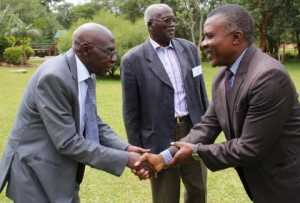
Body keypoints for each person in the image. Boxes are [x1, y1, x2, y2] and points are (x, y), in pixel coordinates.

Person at [137, 4, 300, 203]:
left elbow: (250, 148)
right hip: (262, 183)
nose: (203, 43)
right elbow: (207, 126)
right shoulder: (223, 77)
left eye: (210, 36)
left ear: (236, 38)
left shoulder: (268, 77)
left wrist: (196, 152)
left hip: (287, 184)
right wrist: (164, 158)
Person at [0, 23, 149, 203]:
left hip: (61, 173)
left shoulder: (86, 71)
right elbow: (67, 142)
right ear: (86, 49)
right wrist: (127, 159)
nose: (113, 58)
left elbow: (92, 121)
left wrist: (125, 148)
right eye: (108, 52)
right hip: (36, 174)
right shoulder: (54, 77)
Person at [121, 3, 208, 203]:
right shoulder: (133, 60)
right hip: (158, 136)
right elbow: (130, 111)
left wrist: (204, 127)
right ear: (150, 24)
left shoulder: (189, 49)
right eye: (167, 20)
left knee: (198, 189)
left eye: (174, 19)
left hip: (191, 130)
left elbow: (201, 92)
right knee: (165, 196)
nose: (173, 24)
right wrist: (138, 151)